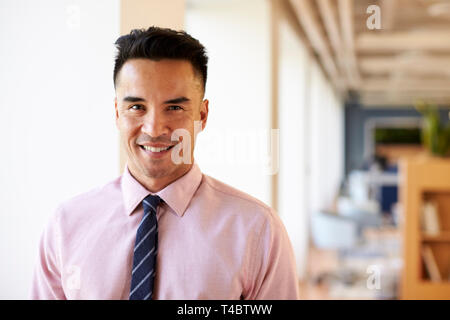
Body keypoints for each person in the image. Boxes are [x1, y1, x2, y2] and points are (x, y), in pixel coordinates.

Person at [30, 26, 299, 300]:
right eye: (136, 107)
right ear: (116, 113)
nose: (155, 128)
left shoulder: (257, 231)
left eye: (174, 108)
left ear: (202, 115)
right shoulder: (65, 227)